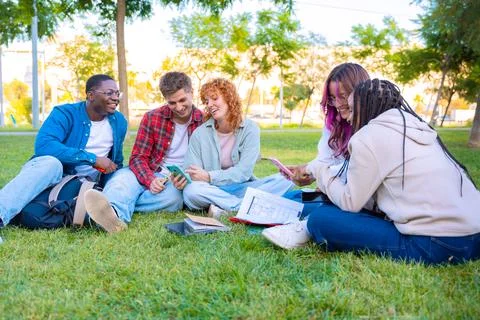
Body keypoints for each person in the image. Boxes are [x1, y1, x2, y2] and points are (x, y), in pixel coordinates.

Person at [263, 79, 480, 265]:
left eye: (351, 109)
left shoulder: (368, 136)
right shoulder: (414, 126)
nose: (347, 117)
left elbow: (350, 202)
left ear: (365, 108)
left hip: (437, 244)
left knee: (320, 220)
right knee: (324, 204)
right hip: (474, 237)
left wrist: (318, 169)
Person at [0, 74, 127, 229]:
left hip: (84, 186)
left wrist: (112, 180)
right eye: (109, 93)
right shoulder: (65, 113)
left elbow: (117, 161)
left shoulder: (119, 121)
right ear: (91, 95)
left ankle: (110, 215)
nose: (115, 98)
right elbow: (44, 145)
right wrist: (92, 159)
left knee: (124, 175)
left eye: (117, 93)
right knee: (51, 163)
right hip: (53, 177)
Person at [84, 72, 203, 232]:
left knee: (173, 200)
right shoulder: (153, 117)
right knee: (122, 180)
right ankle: (115, 217)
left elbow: (206, 162)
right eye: (172, 103)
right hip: (148, 170)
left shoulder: (204, 120)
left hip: (174, 180)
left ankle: (111, 207)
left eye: (182, 100)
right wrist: (150, 179)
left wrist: (187, 178)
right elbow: (138, 157)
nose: (179, 107)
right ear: (165, 99)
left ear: (191, 92)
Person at [182, 78, 293, 216]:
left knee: (285, 179)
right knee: (191, 192)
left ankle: (227, 206)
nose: (210, 105)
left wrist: (210, 176)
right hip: (211, 189)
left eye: (214, 99)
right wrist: (188, 177)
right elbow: (191, 171)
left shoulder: (250, 129)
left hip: (242, 187)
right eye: (206, 101)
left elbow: (243, 172)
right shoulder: (200, 133)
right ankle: (243, 205)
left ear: (229, 98)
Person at [283, 63, 370, 214]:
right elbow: (325, 159)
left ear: (359, 94)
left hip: (353, 197)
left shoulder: (371, 127)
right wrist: (305, 172)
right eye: (332, 98)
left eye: (342, 96)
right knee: (290, 197)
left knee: (312, 213)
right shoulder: (335, 122)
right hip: (333, 191)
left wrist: (317, 173)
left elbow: (355, 171)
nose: (338, 104)